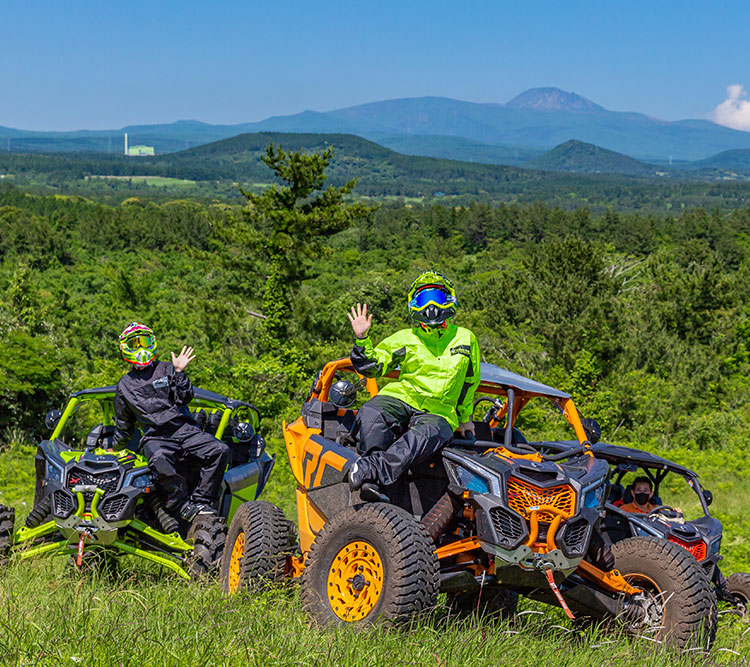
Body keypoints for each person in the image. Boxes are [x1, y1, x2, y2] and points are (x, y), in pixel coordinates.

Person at [347, 271, 480, 492]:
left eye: (436, 298)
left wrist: (465, 418)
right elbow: (374, 366)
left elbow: (469, 381)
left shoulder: (465, 338)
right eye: (422, 299)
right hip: (403, 397)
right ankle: (370, 479)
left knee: (424, 435)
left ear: (449, 300)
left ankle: (371, 471)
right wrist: (362, 339)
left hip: (439, 411)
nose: (430, 305)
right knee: (372, 411)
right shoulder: (405, 337)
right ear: (413, 305)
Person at [111, 322, 230, 522]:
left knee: (220, 450)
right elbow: (123, 423)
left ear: (153, 343)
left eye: (145, 342)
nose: (141, 348)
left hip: (183, 429)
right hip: (155, 437)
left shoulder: (167, 369)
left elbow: (184, 398)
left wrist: (179, 372)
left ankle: (201, 501)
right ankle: (181, 504)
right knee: (158, 459)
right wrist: (114, 447)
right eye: (135, 343)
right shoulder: (124, 385)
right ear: (125, 348)